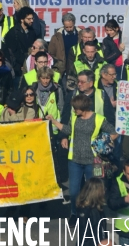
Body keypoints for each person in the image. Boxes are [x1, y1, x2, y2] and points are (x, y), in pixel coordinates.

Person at [48, 93, 117, 226]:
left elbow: (114, 132)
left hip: (92, 161)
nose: (74, 110)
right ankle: (74, 213)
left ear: (83, 108)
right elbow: (68, 130)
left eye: (76, 108)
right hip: (74, 160)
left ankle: (93, 214)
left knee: (93, 192)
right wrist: (54, 121)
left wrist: (103, 142)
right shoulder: (75, 117)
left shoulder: (98, 119)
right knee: (74, 191)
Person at [3, 6, 38, 86]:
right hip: (18, 70)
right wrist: (22, 65)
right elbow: (12, 53)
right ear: (22, 19)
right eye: (29, 19)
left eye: (32, 18)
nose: (31, 21)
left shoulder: (32, 32)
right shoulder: (12, 33)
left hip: (30, 68)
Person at [48, 13, 83, 78]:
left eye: (71, 27)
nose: (69, 29)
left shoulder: (81, 35)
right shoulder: (56, 37)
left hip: (78, 68)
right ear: (63, 25)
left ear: (74, 23)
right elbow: (51, 54)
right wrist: (58, 64)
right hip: (62, 70)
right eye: (66, 27)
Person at [76, 178, 108, 246]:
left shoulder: (99, 208)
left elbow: (102, 230)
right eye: (103, 189)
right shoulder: (85, 212)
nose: (104, 191)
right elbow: (84, 237)